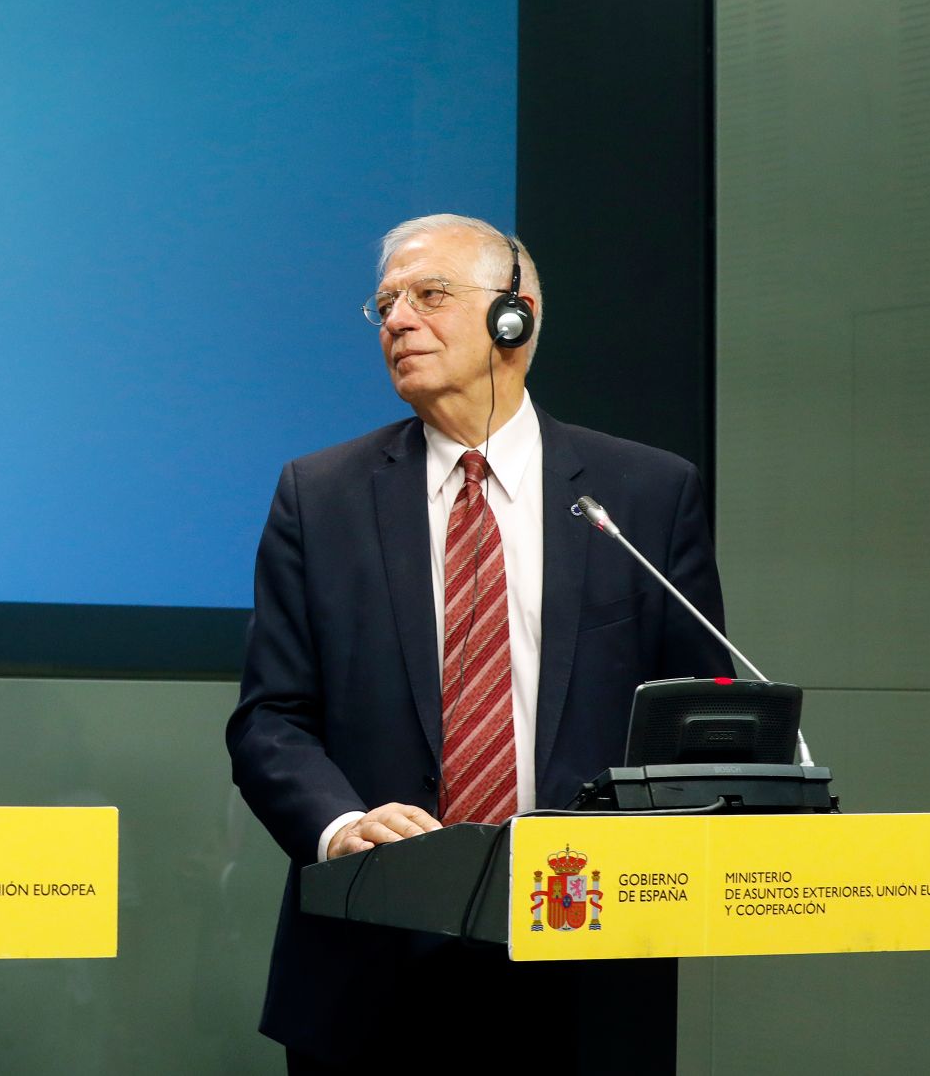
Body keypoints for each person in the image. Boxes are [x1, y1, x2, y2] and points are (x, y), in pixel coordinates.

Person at [226, 214, 731, 1072]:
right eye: (385, 303)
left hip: (586, 958)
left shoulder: (644, 494)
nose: (397, 320)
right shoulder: (321, 496)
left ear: (513, 317)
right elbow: (269, 718)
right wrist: (340, 825)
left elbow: (695, 715)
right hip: (373, 958)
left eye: (429, 295)